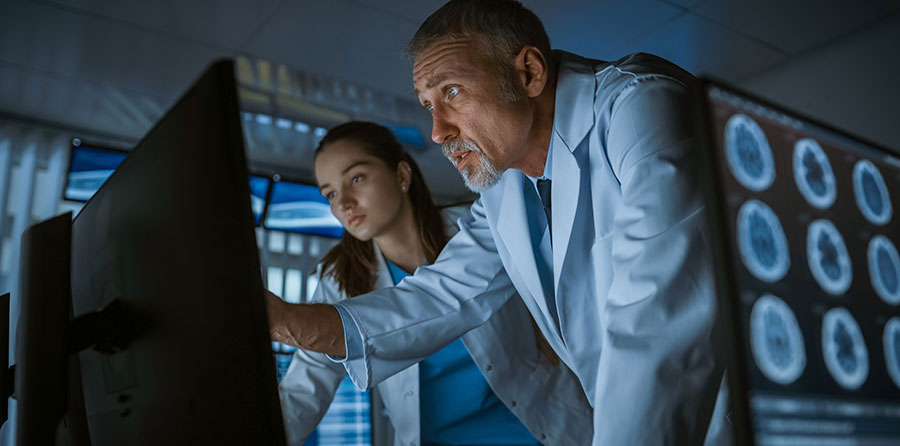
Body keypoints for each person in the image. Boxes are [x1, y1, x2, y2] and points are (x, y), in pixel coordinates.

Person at [267, 1, 731, 444]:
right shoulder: (504, 187)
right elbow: (441, 296)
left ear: (528, 72)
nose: (437, 131)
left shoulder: (641, 108)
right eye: (428, 104)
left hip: (718, 422)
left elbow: (655, 320)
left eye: (451, 92)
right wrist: (285, 321)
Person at [275, 121, 592, 446]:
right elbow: (304, 389)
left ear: (401, 175)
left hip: (539, 429)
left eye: (356, 178)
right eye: (330, 193)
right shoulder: (337, 281)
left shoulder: (477, 228)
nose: (343, 203)